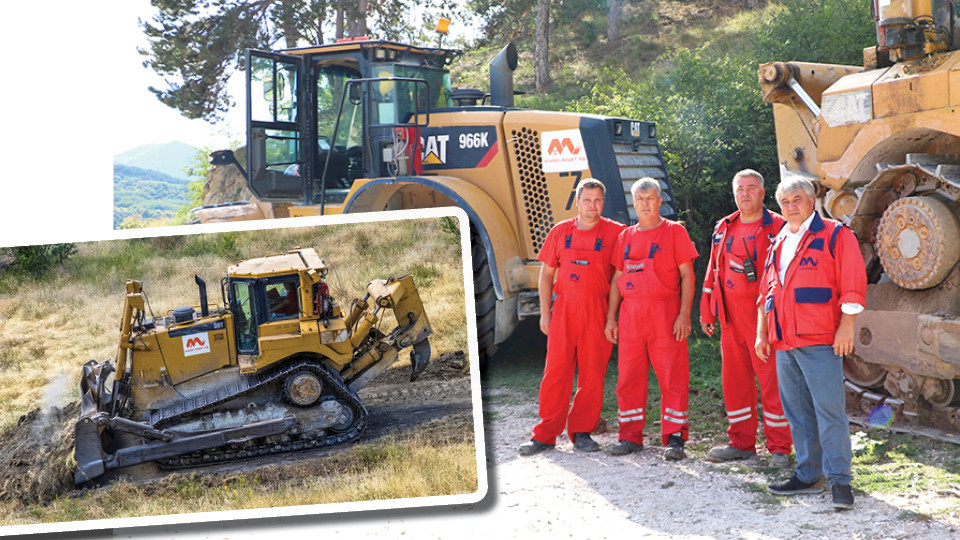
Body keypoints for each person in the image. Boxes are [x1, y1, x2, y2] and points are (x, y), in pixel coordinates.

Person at [756, 177, 867, 511]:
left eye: (798, 198)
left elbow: (853, 283)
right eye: (785, 201)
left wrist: (847, 327)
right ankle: (808, 475)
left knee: (829, 411)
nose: (791, 205)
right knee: (799, 414)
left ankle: (840, 481)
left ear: (812, 199)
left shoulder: (835, 234)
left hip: (820, 340)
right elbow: (767, 292)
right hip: (783, 341)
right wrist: (763, 333)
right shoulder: (777, 242)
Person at [519, 178, 625, 455]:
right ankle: (544, 434)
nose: (593, 206)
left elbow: (621, 276)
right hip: (563, 310)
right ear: (577, 201)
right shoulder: (560, 231)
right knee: (555, 371)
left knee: (592, 374)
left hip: (598, 311)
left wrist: (612, 316)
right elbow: (546, 275)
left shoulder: (616, 232)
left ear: (604, 202)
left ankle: (581, 432)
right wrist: (545, 313)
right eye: (587, 200)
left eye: (598, 200)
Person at [700, 170, 792, 468]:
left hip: (765, 319)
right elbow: (713, 268)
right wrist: (706, 307)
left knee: (772, 382)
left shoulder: (779, 226)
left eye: (751, 188)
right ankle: (741, 443)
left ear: (763, 193)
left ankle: (779, 447)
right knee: (735, 382)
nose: (745, 193)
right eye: (740, 189)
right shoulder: (724, 227)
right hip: (729, 317)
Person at [604, 177, 697, 460]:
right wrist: (611, 318)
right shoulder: (625, 237)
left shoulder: (674, 233)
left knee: (672, 376)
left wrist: (684, 314)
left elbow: (688, 275)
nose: (645, 204)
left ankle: (675, 437)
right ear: (635, 202)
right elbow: (617, 279)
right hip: (631, 315)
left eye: (650, 198)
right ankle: (629, 436)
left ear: (659, 201)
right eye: (640, 199)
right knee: (628, 378)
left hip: (665, 313)